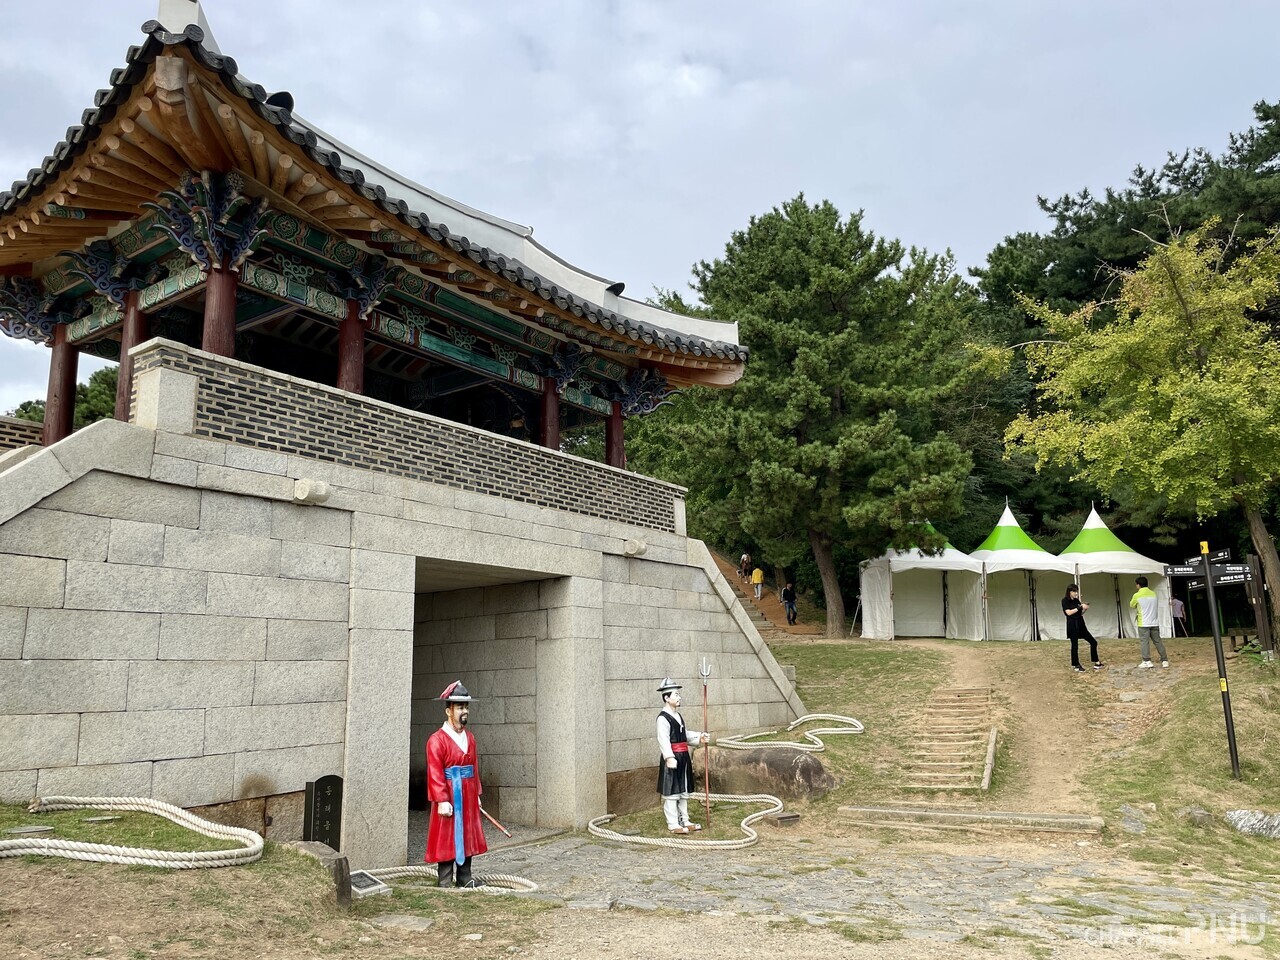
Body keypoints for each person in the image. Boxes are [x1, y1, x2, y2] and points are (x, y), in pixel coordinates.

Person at [425, 681, 488, 887]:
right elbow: (434, 772)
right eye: (460, 707)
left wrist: (476, 794)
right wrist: (441, 799)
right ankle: (444, 879)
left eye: (466, 707)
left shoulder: (470, 738)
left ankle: (464, 877)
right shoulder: (437, 740)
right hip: (450, 792)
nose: (464, 712)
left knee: (467, 833)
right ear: (448, 711)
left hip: (468, 791)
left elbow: (474, 766)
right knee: (446, 835)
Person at [655, 678, 710, 834]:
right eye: (676, 694)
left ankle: (685, 819)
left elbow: (683, 734)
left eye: (679, 694)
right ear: (667, 698)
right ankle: (673, 823)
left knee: (684, 790)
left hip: (683, 757)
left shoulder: (678, 716)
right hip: (673, 758)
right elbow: (663, 739)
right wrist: (669, 757)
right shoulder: (663, 718)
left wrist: (699, 737)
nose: (679, 697)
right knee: (672, 792)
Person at [1062, 584, 1102, 672]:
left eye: (1077, 591)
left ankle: (1096, 662)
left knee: (1093, 642)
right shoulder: (1065, 601)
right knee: (1075, 646)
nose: (1076, 593)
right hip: (1072, 625)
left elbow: (1079, 613)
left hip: (1081, 624)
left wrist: (1085, 608)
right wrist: (1079, 607)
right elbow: (1068, 613)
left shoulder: (1076, 600)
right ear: (1070, 592)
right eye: (1074, 591)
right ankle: (1076, 665)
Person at [1130, 576, 1169, 668]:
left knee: (1144, 642)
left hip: (1143, 622)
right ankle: (1164, 660)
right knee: (1158, 641)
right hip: (1154, 622)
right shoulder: (1153, 594)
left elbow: (1132, 605)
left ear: (1138, 585)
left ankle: (1146, 660)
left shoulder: (1137, 595)